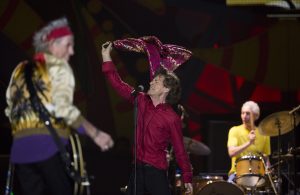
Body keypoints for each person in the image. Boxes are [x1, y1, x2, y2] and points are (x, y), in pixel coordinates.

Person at [5, 17, 114, 195]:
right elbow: (63, 109)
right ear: (53, 45)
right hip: (48, 147)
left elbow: (10, 108)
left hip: (21, 151)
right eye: (68, 45)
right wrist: (95, 134)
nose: (71, 51)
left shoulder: (20, 68)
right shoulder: (59, 67)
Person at [101, 42, 193, 195]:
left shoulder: (172, 117)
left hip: (156, 172)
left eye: (156, 81)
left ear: (166, 89)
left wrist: (187, 176)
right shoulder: (141, 100)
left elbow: (179, 149)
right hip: (137, 170)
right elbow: (118, 84)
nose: (151, 82)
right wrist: (106, 57)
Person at [227, 101, 271, 183]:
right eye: (242, 113)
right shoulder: (234, 130)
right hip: (236, 174)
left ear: (256, 116)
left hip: (258, 175)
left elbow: (266, 158)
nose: (244, 116)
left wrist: (269, 170)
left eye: (247, 113)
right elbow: (231, 152)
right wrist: (249, 143)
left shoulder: (264, 134)